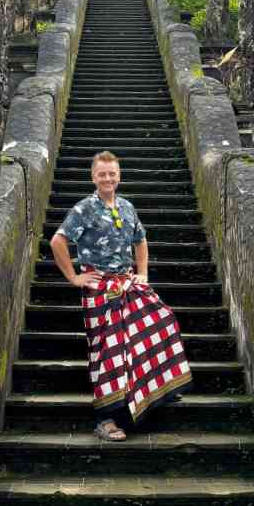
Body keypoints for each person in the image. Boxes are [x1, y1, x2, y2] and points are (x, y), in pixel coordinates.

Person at [50, 151, 192, 441]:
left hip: (127, 281)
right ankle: (106, 420)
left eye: (112, 173)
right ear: (93, 177)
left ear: (119, 175)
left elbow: (140, 241)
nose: (108, 179)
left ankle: (154, 389)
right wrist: (73, 277)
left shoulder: (127, 207)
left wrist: (143, 273)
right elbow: (57, 241)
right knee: (109, 351)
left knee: (161, 317)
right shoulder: (84, 209)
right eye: (102, 174)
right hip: (99, 287)